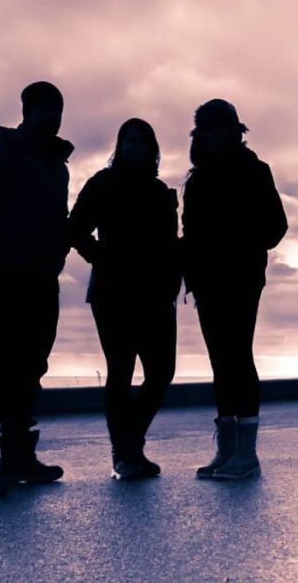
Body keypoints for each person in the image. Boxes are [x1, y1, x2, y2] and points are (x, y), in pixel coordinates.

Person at [0, 81, 71, 496]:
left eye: (57, 111)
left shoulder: (58, 166)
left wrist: (56, 253)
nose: (52, 118)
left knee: (32, 365)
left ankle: (18, 455)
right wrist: (19, 239)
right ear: (27, 112)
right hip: (7, 273)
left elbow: (59, 219)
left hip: (44, 277)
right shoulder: (2, 151)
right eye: (44, 110)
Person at [68, 119, 180, 480]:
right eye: (128, 141)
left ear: (152, 148)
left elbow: (170, 244)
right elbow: (75, 229)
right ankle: (125, 452)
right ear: (119, 145)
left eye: (142, 141)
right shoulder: (103, 183)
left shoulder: (161, 191)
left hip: (156, 294)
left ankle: (130, 442)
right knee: (121, 371)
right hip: (113, 293)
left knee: (162, 371)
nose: (135, 147)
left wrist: (174, 280)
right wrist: (102, 258)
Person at [183, 99, 287, 480]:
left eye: (219, 127)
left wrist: (239, 245)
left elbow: (276, 226)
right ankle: (227, 452)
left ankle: (247, 455)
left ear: (234, 130)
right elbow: (189, 235)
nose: (213, 134)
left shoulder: (255, 171)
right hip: (207, 283)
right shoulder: (196, 181)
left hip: (241, 278)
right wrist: (191, 273)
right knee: (221, 362)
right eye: (206, 128)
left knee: (238, 357)